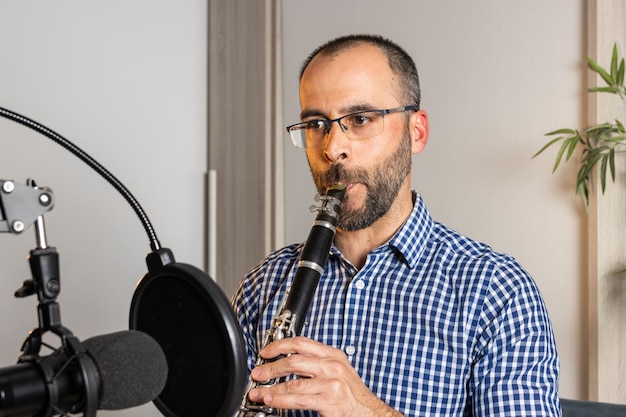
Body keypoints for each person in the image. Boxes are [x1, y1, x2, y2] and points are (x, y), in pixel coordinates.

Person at [231, 34, 561, 417]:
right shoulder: (262, 284)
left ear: (415, 132)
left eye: (359, 119)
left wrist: (364, 410)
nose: (332, 147)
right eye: (317, 124)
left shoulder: (497, 292)